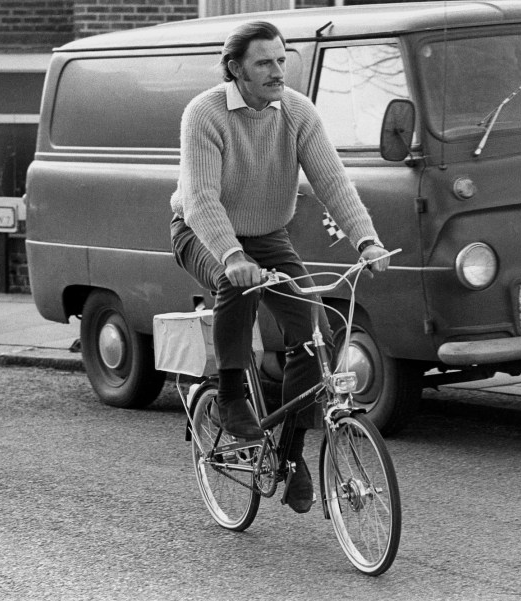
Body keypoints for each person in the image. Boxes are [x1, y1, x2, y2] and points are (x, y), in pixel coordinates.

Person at [169, 20, 389, 514]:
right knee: (236, 284)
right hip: (200, 231)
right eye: (264, 63)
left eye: (282, 60)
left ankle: (290, 455)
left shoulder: (297, 112)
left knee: (313, 327)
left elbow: (333, 181)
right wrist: (232, 255)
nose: (277, 72)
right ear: (235, 70)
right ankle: (229, 395)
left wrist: (367, 242)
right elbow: (202, 199)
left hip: (268, 236)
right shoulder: (204, 113)